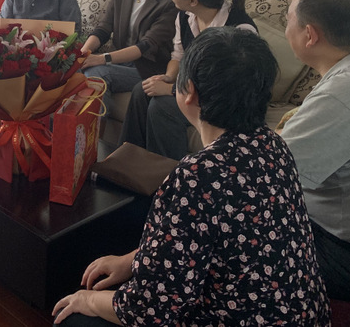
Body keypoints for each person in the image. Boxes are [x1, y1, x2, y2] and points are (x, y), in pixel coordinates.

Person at [53, 27, 331, 326]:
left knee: (73, 319)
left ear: (189, 92)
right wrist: (132, 261)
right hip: (304, 314)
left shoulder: (197, 176)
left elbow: (149, 310)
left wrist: (87, 300)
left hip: (236, 316)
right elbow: (198, 239)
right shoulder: (274, 144)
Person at [281, 0, 350, 301]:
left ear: (310, 35)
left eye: (288, 18)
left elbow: (265, 175)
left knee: (224, 221)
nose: (285, 26)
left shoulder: (344, 93)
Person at [118, 0, 257, 159]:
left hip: (227, 102)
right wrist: (168, 77)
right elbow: (178, 56)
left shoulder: (239, 29)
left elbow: (224, 88)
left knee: (162, 107)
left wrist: (172, 90)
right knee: (142, 89)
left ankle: (165, 173)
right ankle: (126, 162)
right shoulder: (185, 17)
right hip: (194, 91)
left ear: (193, 1)